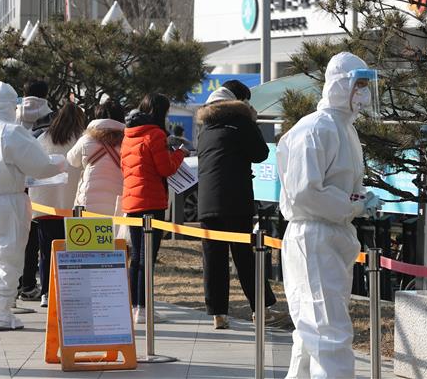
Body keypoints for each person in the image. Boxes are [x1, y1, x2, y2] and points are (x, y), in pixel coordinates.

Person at [276, 52, 377, 378]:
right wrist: (354, 204)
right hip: (314, 236)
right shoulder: (315, 128)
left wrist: (357, 200)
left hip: (331, 235)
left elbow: (335, 186)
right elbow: (305, 192)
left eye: (365, 85)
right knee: (328, 331)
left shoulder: (344, 129)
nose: (363, 93)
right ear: (339, 85)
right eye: (357, 84)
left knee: (313, 330)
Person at [0, 81, 66, 330]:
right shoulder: (12, 132)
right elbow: (40, 165)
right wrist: (59, 163)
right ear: (11, 105)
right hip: (8, 199)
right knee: (8, 257)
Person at [197, 83, 288, 330]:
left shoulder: (204, 128)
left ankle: (218, 314)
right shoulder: (241, 121)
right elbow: (260, 153)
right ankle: (261, 309)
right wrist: (252, 121)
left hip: (207, 201)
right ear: (239, 102)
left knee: (213, 258)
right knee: (244, 256)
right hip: (235, 199)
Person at [121, 94, 187, 324]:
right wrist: (179, 154)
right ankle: (145, 309)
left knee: (137, 258)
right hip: (152, 203)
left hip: (132, 202)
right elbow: (165, 169)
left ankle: (134, 306)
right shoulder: (155, 134)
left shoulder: (129, 135)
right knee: (147, 258)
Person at [30, 102, 85, 307]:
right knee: (70, 252)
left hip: (45, 204)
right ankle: (67, 291)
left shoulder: (43, 139)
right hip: (71, 206)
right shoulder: (80, 140)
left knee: (46, 251)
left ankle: (46, 292)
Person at [16, 79, 54, 301]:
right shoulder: (50, 115)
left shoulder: (14, 114)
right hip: (43, 183)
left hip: (18, 183)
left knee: (23, 238)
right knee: (42, 238)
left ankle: (24, 283)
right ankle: (40, 286)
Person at [67, 99, 125, 216]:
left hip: (88, 203)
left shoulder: (86, 139)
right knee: (114, 234)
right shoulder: (127, 141)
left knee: (88, 234)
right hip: (117, 204)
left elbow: (72, 160)